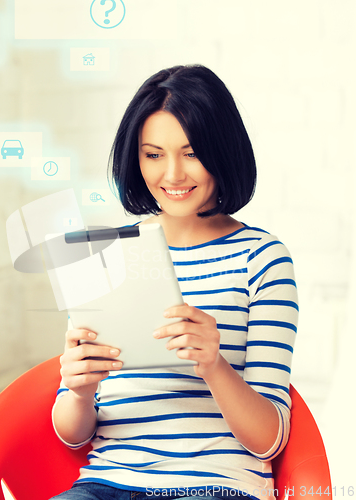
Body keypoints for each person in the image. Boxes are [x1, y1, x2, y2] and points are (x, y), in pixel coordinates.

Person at [50, 65, 298, 500]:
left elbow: (270, 439)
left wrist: (213, 365)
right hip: (106, 483)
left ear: (222, 152)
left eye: (192, 152)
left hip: (216, 485)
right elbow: (72, 436)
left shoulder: (262, 258)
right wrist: (80, 391)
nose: (173, 175)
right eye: (153, 154)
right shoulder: (105, 258)